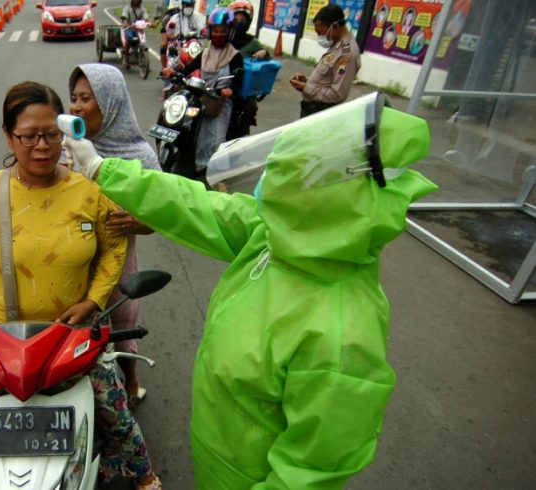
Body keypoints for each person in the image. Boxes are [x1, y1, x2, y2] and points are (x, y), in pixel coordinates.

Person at [65, 94, 439, 489]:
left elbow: (310, 473)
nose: (270, 186)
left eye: (295, 176)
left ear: (330, 198)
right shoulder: (283, 236)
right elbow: (195, 205)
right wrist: (103, 169)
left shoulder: (343, 335)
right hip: (216, 458)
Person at [0, 81, 162, 490]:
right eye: (29, 136)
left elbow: (113, 249)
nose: (42, 146)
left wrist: (94, 301)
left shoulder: (90, 190)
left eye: (51, 134)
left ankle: (143, 473)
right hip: (0, 341)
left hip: (71, 340)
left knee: (115, 413)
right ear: (10, 135)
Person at [68, 63, 161, 407]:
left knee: (120, 327)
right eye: (73, 98)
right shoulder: (63, 151)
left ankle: (131, 379)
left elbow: (161, 217)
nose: (75, 106)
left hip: (119, 264)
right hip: (71, 264)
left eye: (86, 98)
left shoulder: (141, 158)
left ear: (111, 103)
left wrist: (138, 221)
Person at [162, 7, 243, 181]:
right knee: (194, 134)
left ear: (230, 32)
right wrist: (173, 71)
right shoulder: (205, 53)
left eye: (223, 31)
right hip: (204, 99)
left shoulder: (235, 55)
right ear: (211, 31)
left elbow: (238, 77)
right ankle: (195, 169)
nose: (219, 34)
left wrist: (230, 90)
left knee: (216, 141)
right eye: (216, 30)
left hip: (222, 103)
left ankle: (219, 178)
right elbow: (188, 67)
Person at [289, 4, 361, 118]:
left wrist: (306, 88)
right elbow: (328, 78)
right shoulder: (337, 45)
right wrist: (307, 81)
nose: (321, 38)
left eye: (321, 34)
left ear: (335, 26)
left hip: (320, 113)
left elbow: (337, 94)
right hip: (312, 110)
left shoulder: (346, 55)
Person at [227, 0, 269, 139]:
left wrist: (264, 53)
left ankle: (242, 134)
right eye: (236, 19)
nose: (239, 22)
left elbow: (267, 56)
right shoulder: (224, 37)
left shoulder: (252, 41)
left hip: (244, 87)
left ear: (248, 22)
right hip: (223, 83)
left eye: (243, 20)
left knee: (250, 107)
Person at [120, 0, 150, 69]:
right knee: (129, 37)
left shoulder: (142, 9)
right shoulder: (127, 8)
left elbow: (146, 17)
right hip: (129, 28)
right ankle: (126, 56)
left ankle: (142, 58)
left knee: (141, 39)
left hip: (138, 29)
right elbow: (124, 17)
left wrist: (148, 22)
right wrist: (125, 22)